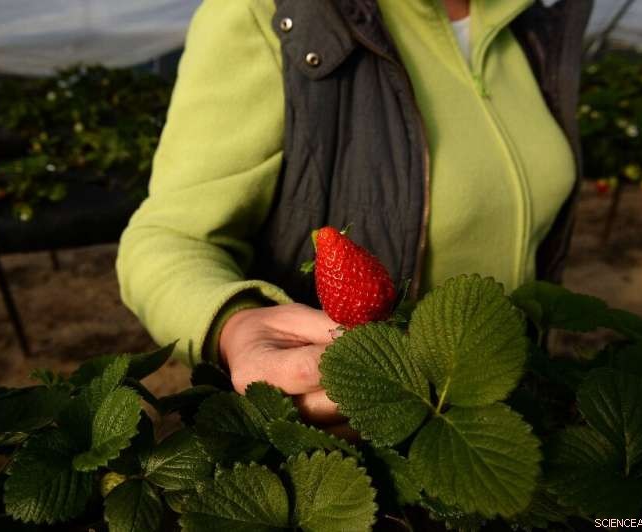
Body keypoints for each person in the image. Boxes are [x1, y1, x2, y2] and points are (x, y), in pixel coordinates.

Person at [116, 0, 593, 430]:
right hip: (369, 430)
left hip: (507, 421)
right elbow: (168, 236)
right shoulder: (278, 13)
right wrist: (233, 324)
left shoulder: (523, 24)